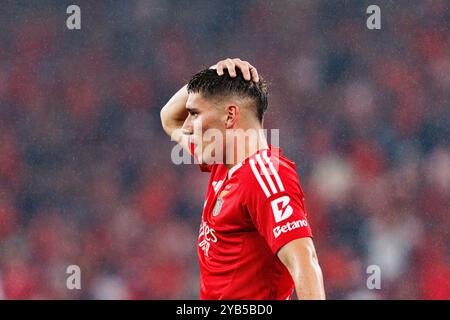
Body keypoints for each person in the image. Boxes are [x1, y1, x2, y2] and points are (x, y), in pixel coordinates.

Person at [160, 58, 325, 299]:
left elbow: (305, 261)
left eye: (194, 113)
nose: (187, 126)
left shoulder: (266, 174)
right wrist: (212, 71)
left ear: (229, 116)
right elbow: (168, 118)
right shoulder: (222, 164)